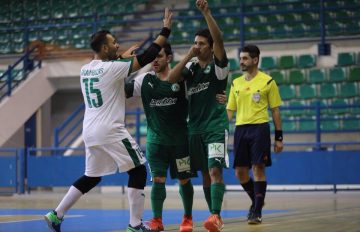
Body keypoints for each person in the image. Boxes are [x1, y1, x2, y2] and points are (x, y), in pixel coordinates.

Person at [44, 8, 173, 232]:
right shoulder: (112, 69)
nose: (117, 45)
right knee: (139, 170)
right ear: (104, 47)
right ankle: (134, 225)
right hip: (110, 129)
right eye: (114, 43)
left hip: (90, 131)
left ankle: (56, 214)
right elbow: (148, 56)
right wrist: (165, 30)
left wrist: (121, 57)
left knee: (91, 176)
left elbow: (108, 66)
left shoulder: (86, 69)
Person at [168, 0, 229, 231]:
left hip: (215, 126)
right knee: (204, 174)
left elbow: (219, 39)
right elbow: (172, 79)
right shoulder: (190, 69)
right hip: (194, 128)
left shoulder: (219, 67)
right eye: (195, 43)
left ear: (211, 47)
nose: (197, 46)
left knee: (215, 170)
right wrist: (187, 57)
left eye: (202, 43)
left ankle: (215, 215)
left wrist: (206, 13)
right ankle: (212, 213)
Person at [125, 42, 196, 232]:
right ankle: (157, 220)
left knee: (184, 180)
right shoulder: (144, 80)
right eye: (153, 56)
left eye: (160, 56)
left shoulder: (182, 77)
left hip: (180, 142)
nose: (155, 60)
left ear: (169, 58)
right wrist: (121, 62)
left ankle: (187, 218)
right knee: (158, 180)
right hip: (156, 143)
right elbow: (121, 89)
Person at [226, 44, 284, 225]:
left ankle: (256, 211)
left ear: (255, 60)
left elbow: (275, 111)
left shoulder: (268, 82)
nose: (241, 62)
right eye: (240, 58)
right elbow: (229, 111)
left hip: (260, 128)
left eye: (244, 58)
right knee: (240, 173)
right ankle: (258, 199)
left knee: (258, 168)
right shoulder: (236, 83)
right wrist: (220, 131)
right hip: (240, 130)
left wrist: (279, 137)